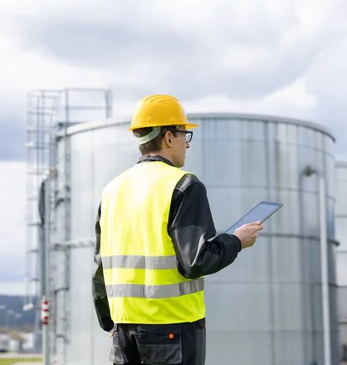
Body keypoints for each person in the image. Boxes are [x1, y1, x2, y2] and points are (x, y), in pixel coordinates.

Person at [92, 94, 263, 365]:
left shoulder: (112, 189)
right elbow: (196, 261)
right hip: (172, 327)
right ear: (169, 137)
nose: (187, 144)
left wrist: (110, 321)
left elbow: (101, 265)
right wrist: (235, 241)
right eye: (185, 135)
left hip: (123, 329)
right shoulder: (184, 185)